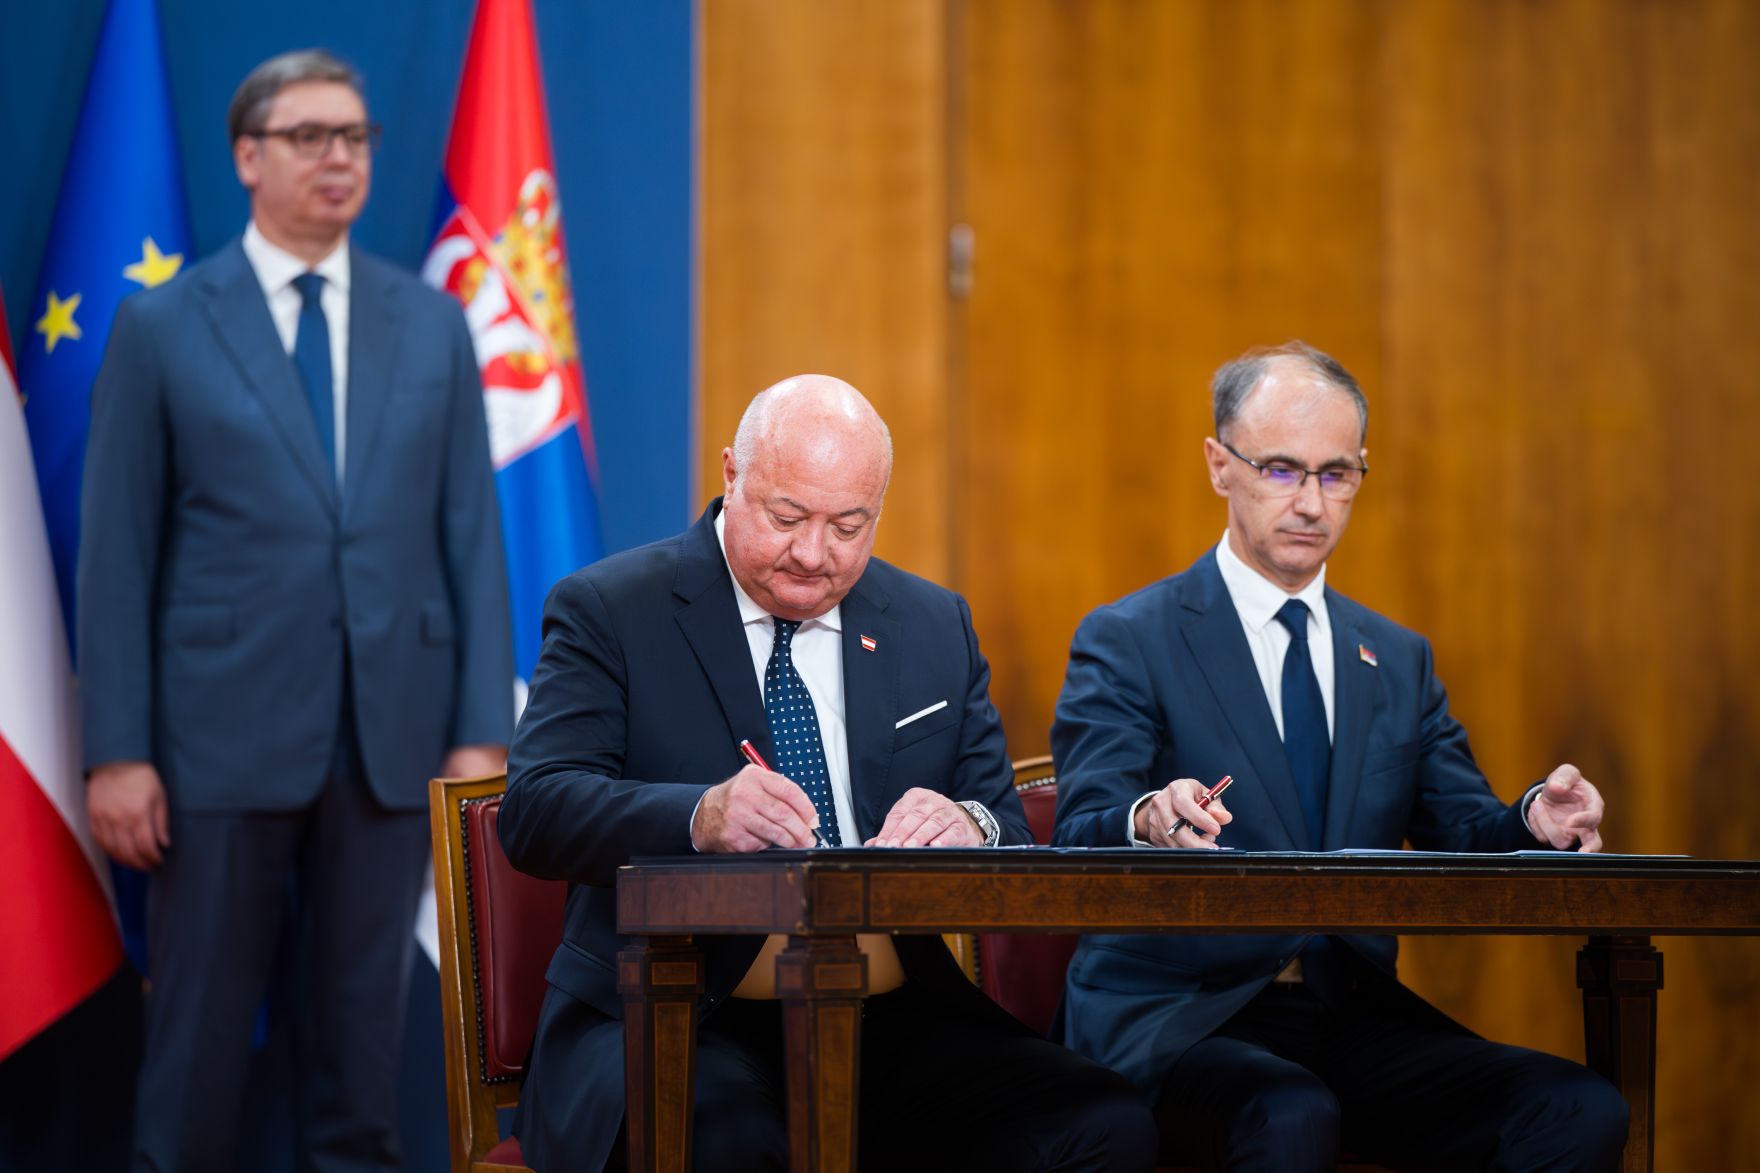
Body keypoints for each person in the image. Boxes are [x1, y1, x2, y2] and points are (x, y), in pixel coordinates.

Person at [499, 375, 1156, 1173]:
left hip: (891, 1012)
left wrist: (969, 824)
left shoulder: (930, 624)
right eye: (786, 518)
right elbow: (535, 809)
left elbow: (1005, 825)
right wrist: (699, 815)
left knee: (1101, 1122)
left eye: (849, 525)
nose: (814, 554)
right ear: (732, 474)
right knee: (737, 1151)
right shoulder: (612, 608)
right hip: (682, 1013)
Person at [78, 49, 513, 1172]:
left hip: (390, 743)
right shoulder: (164, 326)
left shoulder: (428, 324)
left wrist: (478, 736)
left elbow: (470, 539)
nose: (340, 158)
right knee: (196, 1057)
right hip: (215, 747)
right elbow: (117, 556)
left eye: (356, 138)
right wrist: (117, 751)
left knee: (363, 1062)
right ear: (247, 156)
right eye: (312, 136)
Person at [1049, 342, 1629, 1171]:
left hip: (1348, 1013)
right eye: (1282, 471)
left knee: (1575, 1107)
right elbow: (1079, 828)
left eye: (1337, 474)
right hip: (1179, 1017)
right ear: (1220, 465)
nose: (1312, 504)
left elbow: (1463, 828)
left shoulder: (1394, 659)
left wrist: (1536, 816)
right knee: (1289, 1114)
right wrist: (1148, 817)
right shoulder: (1130, 638)